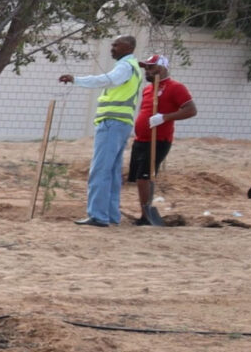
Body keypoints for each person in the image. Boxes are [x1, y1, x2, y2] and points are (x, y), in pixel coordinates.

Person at [57, 34, 139, 226]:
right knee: (111, 172)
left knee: (101, 170)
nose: (112, 48)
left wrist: (76, 80)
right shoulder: (133, 66)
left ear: (127, 47)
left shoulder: (125, 67)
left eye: (116, 45)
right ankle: (110, 215)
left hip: (111, 123)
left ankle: (98, 215)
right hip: (121, 123)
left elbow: (106, 80)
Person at [129, 53, 194, 226]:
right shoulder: (148, 89)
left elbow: (190, 110)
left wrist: (164, 117)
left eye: (151, 67)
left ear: (162, 67)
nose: (147, 71)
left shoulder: (176, 87)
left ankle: (146, 215)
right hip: (141, 138)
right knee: (139, 178)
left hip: (159, 139)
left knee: (145, 176)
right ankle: (145, 210)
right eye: (146, 68)